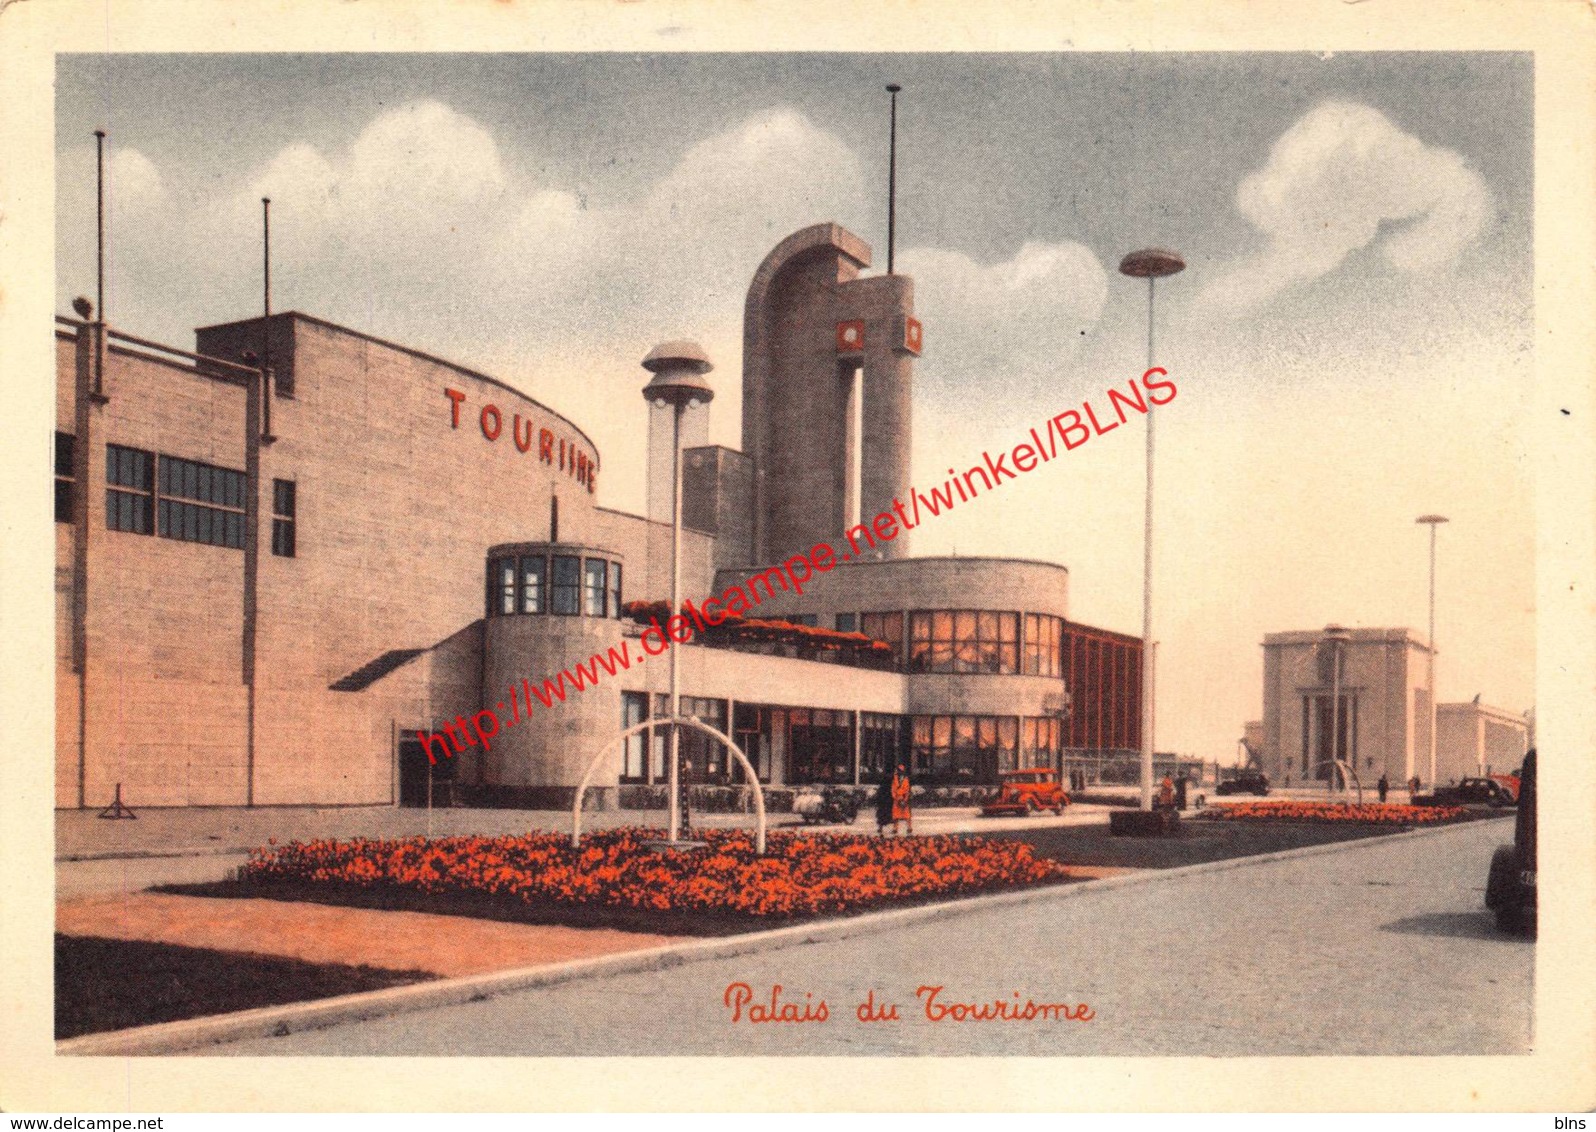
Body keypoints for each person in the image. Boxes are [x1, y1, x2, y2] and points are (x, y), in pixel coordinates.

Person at [890, 763, 913, 835]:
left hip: (904, 798)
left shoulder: (906, 779)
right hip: (897, 799)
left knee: (907, 815)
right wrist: (895, 797)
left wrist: (905, 799)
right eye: (898, 770)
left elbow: (907, 790)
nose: (899, 772)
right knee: (895, 815)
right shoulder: (895, 778)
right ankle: (895, 828)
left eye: (900, 770)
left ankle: (909, 827)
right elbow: (893, 789)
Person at [874, 771, 895, 837]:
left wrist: (877, 802)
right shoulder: (891, 786)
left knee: (881, 816)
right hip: (888, 803)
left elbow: (879, 795)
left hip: (883, 803)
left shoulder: (882, 787)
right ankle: (894, 828)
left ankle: (880, 828)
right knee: (891, 816)